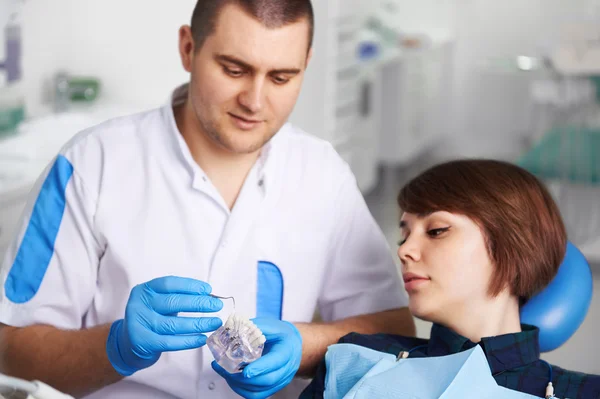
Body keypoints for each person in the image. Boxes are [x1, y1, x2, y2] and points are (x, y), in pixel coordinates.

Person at [0, 1, 416, 398]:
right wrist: (116, 346)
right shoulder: (91, 165)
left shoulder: (324, 176)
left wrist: (305, 348)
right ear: (188, 48)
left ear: (306, 64)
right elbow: (11, 350)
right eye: (235, 69)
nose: (254, 101)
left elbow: (393, 331)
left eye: (281, 78)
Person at [301, 159, 600, 399]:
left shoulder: (583, 392)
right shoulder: (355, 357)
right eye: (404, 235)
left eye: (436, 231)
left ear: (513, 247)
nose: (405, 250)